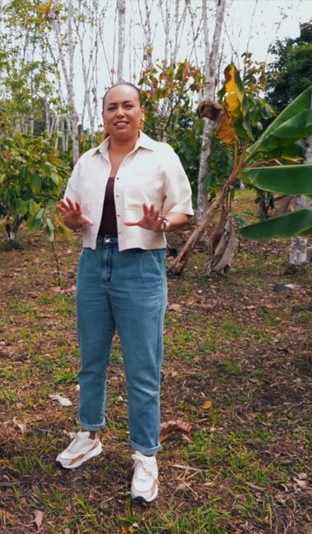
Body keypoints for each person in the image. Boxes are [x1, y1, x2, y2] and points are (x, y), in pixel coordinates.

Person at [55, 82, 193, 502]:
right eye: (111, 107)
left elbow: (183, 209)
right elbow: (69, 214)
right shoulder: (87, 161)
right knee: (91, 357)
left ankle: (146, 455)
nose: (120, 113)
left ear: (141, 112)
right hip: (94, 262)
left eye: (128, 106)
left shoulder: (162, 156)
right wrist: (72, 222)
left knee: (143, 365)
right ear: (103, 115)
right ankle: (89, 434)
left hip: (141, 264)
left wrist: (163, 224)